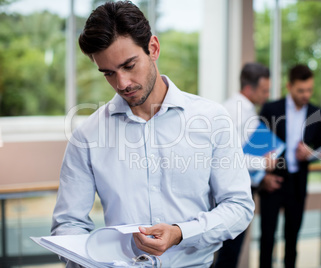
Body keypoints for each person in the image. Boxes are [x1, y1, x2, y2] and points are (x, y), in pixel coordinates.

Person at [51, 2, 254, 268]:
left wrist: (181, 233)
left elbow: (238, 206)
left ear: (153, 48)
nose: (122, 83)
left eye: (129, 65)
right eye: (109, 73)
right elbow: (69, 224)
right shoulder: (87, 136)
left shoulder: (212, 120)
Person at [259, 64, 321, 268]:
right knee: (267, 238)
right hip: (272, 182)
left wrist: (310, 153)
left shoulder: (316, 112)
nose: (306, 95)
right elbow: (257, 146)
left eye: (309, 90)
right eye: (301, 90)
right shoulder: (271, 109)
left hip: (298, 183)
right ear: (289, 86)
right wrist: (263, 178)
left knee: (292, 238)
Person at [214, 63, 280, 268]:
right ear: (249, 88)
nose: (267, 95)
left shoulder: (245, 109)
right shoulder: (235, 111)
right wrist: (263, 162)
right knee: (229, 252)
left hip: (243, 186)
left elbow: (243, 151)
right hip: (232, 192)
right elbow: (226, 158)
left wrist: (260, 175)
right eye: (264, 90)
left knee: (231, 250)